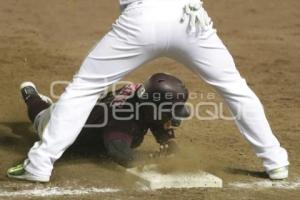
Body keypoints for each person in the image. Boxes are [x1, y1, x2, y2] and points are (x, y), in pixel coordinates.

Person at [8, 0, 289, 182]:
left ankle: (40, 163)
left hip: (140, 19)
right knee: (235, 89)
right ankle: (275, 161)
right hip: (189, 18)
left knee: (84, 88)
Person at [7, 73, 189, 182]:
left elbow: (156, 119)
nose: (170, 116)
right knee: (40, 117)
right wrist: (151, 158)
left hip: (91, 110)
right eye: (168, 111)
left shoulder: (144, 97)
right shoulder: (123, 117)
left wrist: (168, 141)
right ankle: (31, 95)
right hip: (60, 122)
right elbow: (119, 152)